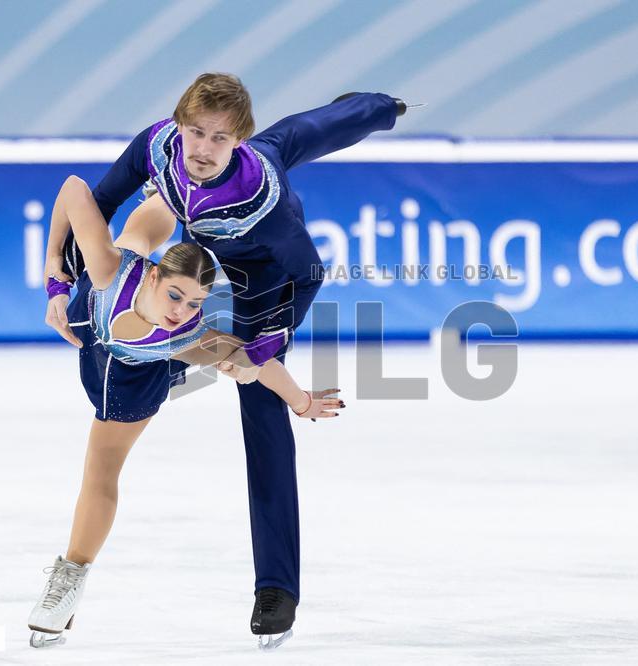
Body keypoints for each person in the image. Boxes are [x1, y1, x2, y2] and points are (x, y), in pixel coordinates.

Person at [43, 72, 405, 647]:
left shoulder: (267, 204)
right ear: (178, 125)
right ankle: (374, 105)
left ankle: (277, 588)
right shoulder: (159, 146)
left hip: (264, 271)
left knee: (260, 401)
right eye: (197, 132)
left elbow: (309, 272)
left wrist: (271, 342)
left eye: (220, 138)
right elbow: (96, 202)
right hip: (194, 254)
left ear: (237, 140)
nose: (204, 149)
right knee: (299, 133)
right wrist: (58, 280)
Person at [28, 175, 343, 649]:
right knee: (139, 230)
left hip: (133, 376)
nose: (182, 310)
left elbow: (258, 362)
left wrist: (301, 402)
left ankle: (68, 580)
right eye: (176, 296)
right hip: (95, 310)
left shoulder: (186, 335)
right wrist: (55, 274)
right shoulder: (113, 267)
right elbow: (72, 189)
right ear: (154, 276)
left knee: (101, 471)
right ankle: (168, 194)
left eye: (195, 303)